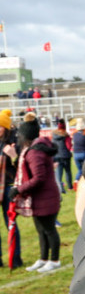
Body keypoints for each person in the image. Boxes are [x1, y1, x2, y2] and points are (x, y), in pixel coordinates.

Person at [8, 113, 60, 273]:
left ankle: (54, 260)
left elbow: (39, 178)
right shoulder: (33, 150)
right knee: (41, 230)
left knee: (49, 230)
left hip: (45, 197)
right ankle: (43, 258)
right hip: (39, 198)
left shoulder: (34, 152)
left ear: (25, 136)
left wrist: (18, 189)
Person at [0, 109, 22, 268]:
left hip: (8, 188)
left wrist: (13, 155)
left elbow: (21, 166)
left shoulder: (14, 143)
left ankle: (15, 259)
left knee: (11, 224)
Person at [52, 119, 73, 193]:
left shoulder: (53, 135)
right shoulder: (66, 135)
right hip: (66, 156)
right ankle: (70, 186)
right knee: (68, 172)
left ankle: (60, 188)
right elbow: (68, 146)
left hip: (57, 156)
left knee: (59, 173)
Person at [71, 119, 85, 183]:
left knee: (80, 169)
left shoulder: (74, 135)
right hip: (84, 153)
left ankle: (77, 181)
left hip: (76, 154)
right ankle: (78, 181)